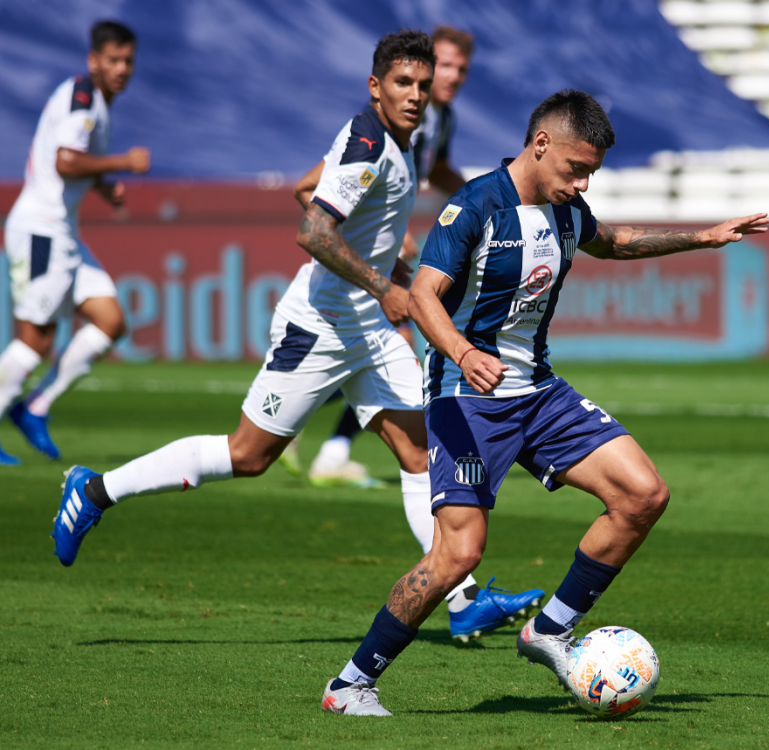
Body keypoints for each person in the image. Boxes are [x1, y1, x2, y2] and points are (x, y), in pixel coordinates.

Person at [51, 29, 542, 644]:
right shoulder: (368, 143)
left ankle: (463, 599)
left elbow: (306, 187)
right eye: (403, 83)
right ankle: (95, 490)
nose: (416, 94)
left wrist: (386, 253)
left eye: (422, 83)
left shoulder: (400, 139)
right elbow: (312, 230)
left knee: (421, 453)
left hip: (368, 329)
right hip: (321, 327)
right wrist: (384, 283)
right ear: (376, 87)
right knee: (248, 456)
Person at [319, 89, 769, 716]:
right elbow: (423, 295)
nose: (583, 183)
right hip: (467, 396)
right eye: (576, 168)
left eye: (591, 172)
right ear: (541, 144)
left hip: (538, 392)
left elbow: (612, 240)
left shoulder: (566, 209)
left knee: (643, 495)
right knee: (458, 554)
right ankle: (350, 685)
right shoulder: (475, 206)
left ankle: (550, 629)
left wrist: (703, 236)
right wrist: (462, 352)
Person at [284, 26, 475, 489]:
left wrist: (483, 198)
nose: (451, 77)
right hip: (355, 282)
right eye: (445, 66)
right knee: (399, 362)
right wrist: (387, 234)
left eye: (460, 69)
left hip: (375, 279)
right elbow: (308, 188)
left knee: (390, 368)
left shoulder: (440, 120)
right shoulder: (387, 127)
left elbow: (438, 170)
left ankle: (326, 445)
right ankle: (312, 433)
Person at [0, 20, 149, 464]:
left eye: (128, 61)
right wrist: (124, 162)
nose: (122, 69)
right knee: (36, 341)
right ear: (93, 60)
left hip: (62, 233)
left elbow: (72, 160)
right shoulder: (82, 97)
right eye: (113, 60)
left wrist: (103, 186)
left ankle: (35, 407)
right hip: (41, 231)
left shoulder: (96, 102)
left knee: (110, 320)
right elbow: (65, 161)